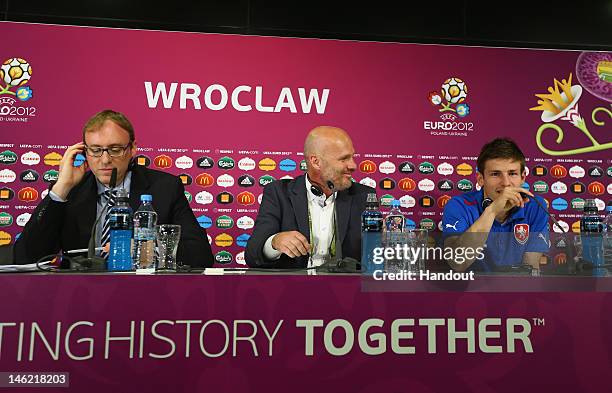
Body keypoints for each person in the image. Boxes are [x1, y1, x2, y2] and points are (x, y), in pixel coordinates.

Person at [14, 109, 214, 268]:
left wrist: (143, 249)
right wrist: (61, 189)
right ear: (84, 150)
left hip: (146, 293)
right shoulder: (70, 190)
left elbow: (201, 254)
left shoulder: (165, 188)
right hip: (80, 293)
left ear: (132, 149)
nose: (105, 159)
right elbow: (25, 257)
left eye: (115, 149)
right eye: (95, 150)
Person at [245, 126, 373, 268]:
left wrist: (384, 243)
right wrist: (274, 242)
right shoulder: (278, 193)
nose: (353, 165)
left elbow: (374, 257)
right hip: (293, 287)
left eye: (352, 157)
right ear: (316, 162)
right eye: (343, 159)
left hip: (344, 288)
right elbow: (252, 255)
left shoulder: (364, 196)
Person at [442, 138, 549, 272]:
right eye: (495, 174)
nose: (505, 183)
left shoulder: (535, 206)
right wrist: (492, 211)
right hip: (471, 291)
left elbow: (530, 267)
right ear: (480, 179)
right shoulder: (459, 205)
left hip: (517, 289)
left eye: (512, 173)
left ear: (523, 178)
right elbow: (457, 262)